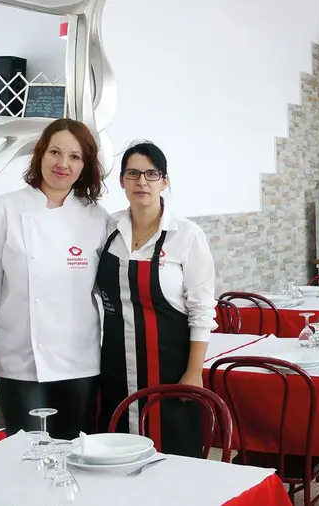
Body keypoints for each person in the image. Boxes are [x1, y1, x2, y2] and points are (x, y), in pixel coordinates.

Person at [0, 118, 111, 440]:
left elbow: (112, 289)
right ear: (40, 155)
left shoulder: (97, 218)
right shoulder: (6, 209)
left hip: (80, 359)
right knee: (26, 450)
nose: (62, 164)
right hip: (22, 358)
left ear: (85, 165)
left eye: (75, 157)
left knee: (77, 452)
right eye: (55, 152)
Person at [96, 141, 217, 458]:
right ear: (121, 181)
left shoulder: (186, 235)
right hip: (116, 368)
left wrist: (194, 371)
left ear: (165, 180)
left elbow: (202, 311)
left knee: (174, 456)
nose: (142, 182)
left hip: (170, 369)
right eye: (133, 173)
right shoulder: (109, 227)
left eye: (152, 173)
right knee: (118, 454)